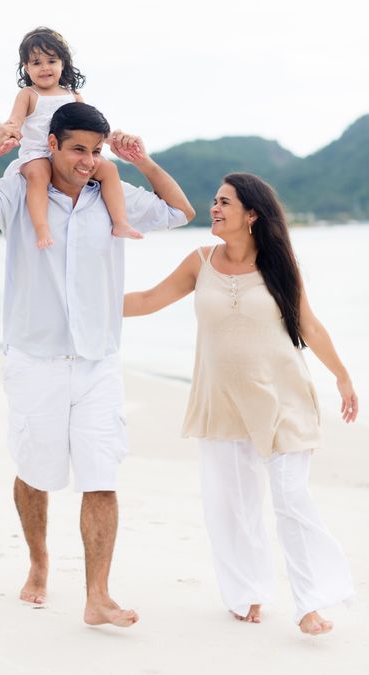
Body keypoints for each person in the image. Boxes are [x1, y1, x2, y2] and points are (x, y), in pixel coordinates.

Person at [0, 101, 195, 627]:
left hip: (99, 359)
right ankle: (38, 560)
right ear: (52, 143)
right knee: (36, 472)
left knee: (102, 476)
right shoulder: (19, 188)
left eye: (96, 151)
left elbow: (180, 211)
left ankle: (97, 595)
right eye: (78, 148)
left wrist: (143, 162)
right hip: (35, 358)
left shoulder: (112, 194)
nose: (87, 160)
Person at [124, 172, 357, 635]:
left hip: (283, 399)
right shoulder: (199, 261)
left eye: (225, 202)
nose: (214, 207)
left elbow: (308, 326)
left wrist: (343, 376)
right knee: (232, 506)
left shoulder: (279, 266)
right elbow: (149, 299)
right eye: (214, 200)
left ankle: (310, 602)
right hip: (222, 402)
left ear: (251, 214)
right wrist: (85, 301)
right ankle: (247, 592)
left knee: (291, 499)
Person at [0, 26, 142, 248]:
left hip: (69, 155)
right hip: (37, 154)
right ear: (26, 68)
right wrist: (11, 133)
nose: (45, 68)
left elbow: (89, 128)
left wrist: (111, 138)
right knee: (38, 174)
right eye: (37, 63)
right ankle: (42, 228)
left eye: (51, 61)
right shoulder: (28, 95)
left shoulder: (73, 96)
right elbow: (15, 120)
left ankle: (120, 222)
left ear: (62, 63)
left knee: (109, 169)